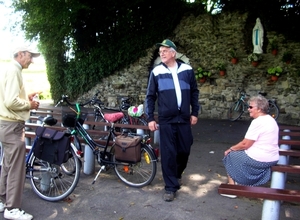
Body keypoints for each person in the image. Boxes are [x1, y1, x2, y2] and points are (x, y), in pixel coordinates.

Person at [145, 39, 200, 202]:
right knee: (168, 153)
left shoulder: (187, 70)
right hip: (166, 119)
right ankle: (170, 187)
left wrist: (195, 112)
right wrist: (150, 117)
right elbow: (150, 97)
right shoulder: (156, 72)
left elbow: (195, 92)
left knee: (184, 149)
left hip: (183, 118)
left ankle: (176, 174)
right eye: (160, 51)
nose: (161, 53)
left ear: (173, 53)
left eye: (165, 50)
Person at [0, 45, 41, 220]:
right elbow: (10, 101)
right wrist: (29, 105)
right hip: (12, 126)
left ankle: (2, 200)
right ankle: (12, 208)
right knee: (17, 168)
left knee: (8, 165)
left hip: (5, 124)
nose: (31, 60)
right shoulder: (14, 70)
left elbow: (8, 98)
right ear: (20, 54)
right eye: (30, 56)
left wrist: (27, 97)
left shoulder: (9, 69)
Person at [221, 95, 279, 198]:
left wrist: (230, 149)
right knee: (238, 155)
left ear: (259, 109)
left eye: (251, 107)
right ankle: (239, 181)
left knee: (230, 156)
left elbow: (245, 144)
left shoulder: (258, 122)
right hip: (272, 158)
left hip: (261, 159)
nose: (248, 109)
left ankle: (232, 189)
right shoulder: (270, 119)